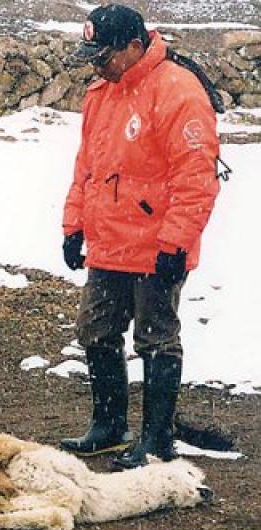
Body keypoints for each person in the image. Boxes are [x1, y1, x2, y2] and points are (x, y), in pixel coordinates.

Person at [59, 4, 221, 470]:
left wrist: (176, 244)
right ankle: (110, 428)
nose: (97, 67)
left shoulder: (178, 91)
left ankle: (157, 441)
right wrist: (74, 225)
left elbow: (196, 178)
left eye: (103, 57)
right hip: (109, 242)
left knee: (156, 340)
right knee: (96, 332)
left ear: (134, 46)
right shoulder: (101, 93)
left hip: (156, 247)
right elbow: (87, 167)